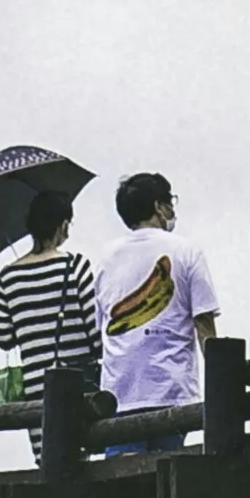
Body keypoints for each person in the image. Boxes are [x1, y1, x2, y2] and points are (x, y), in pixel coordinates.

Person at [0, 183, 103, 469]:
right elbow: (94, 332)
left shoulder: (8, 276)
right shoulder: (75, 266)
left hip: (35, 385)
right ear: (63, 225)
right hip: (79, 381)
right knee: (85, 460)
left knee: (49, 464)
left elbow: (2, 336)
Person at [90, 172, 220, 419]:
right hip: (171, 390)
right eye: (170, 203)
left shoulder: (105, 260)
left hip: (117, 395)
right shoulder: (186, 251)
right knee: (171, 458)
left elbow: (103, 328)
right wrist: (221, 385)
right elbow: (204, 325)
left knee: (124, 458)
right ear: (158, 207)